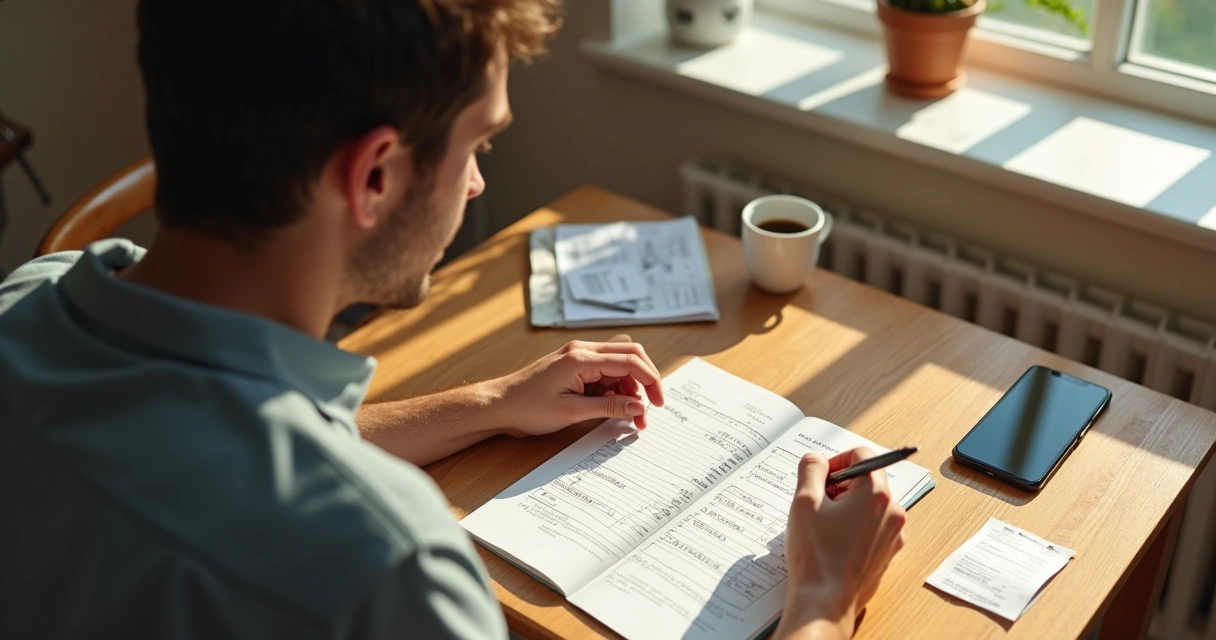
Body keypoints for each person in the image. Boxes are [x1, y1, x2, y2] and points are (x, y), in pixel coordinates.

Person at [0, 1, 905, 638]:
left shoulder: (28, 298)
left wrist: (491, 401)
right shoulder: (389, 574)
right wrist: (822, 598)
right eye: (478, 144)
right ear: (376, 175)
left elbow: (200, 440)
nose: (476, 183)